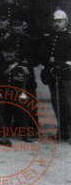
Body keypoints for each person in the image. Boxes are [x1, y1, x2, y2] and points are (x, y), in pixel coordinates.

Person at [41, 9, 71, 141]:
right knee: (56, 102)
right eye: (55, 21)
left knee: (67, 103)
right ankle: (62, 132)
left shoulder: (69, 37)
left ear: (66, 22)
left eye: (60, 21)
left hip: (66, 74)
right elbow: (44, 55)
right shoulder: (49, 37)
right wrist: (46, 69)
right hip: (53, 74)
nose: (57, 24)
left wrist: (65, 65)